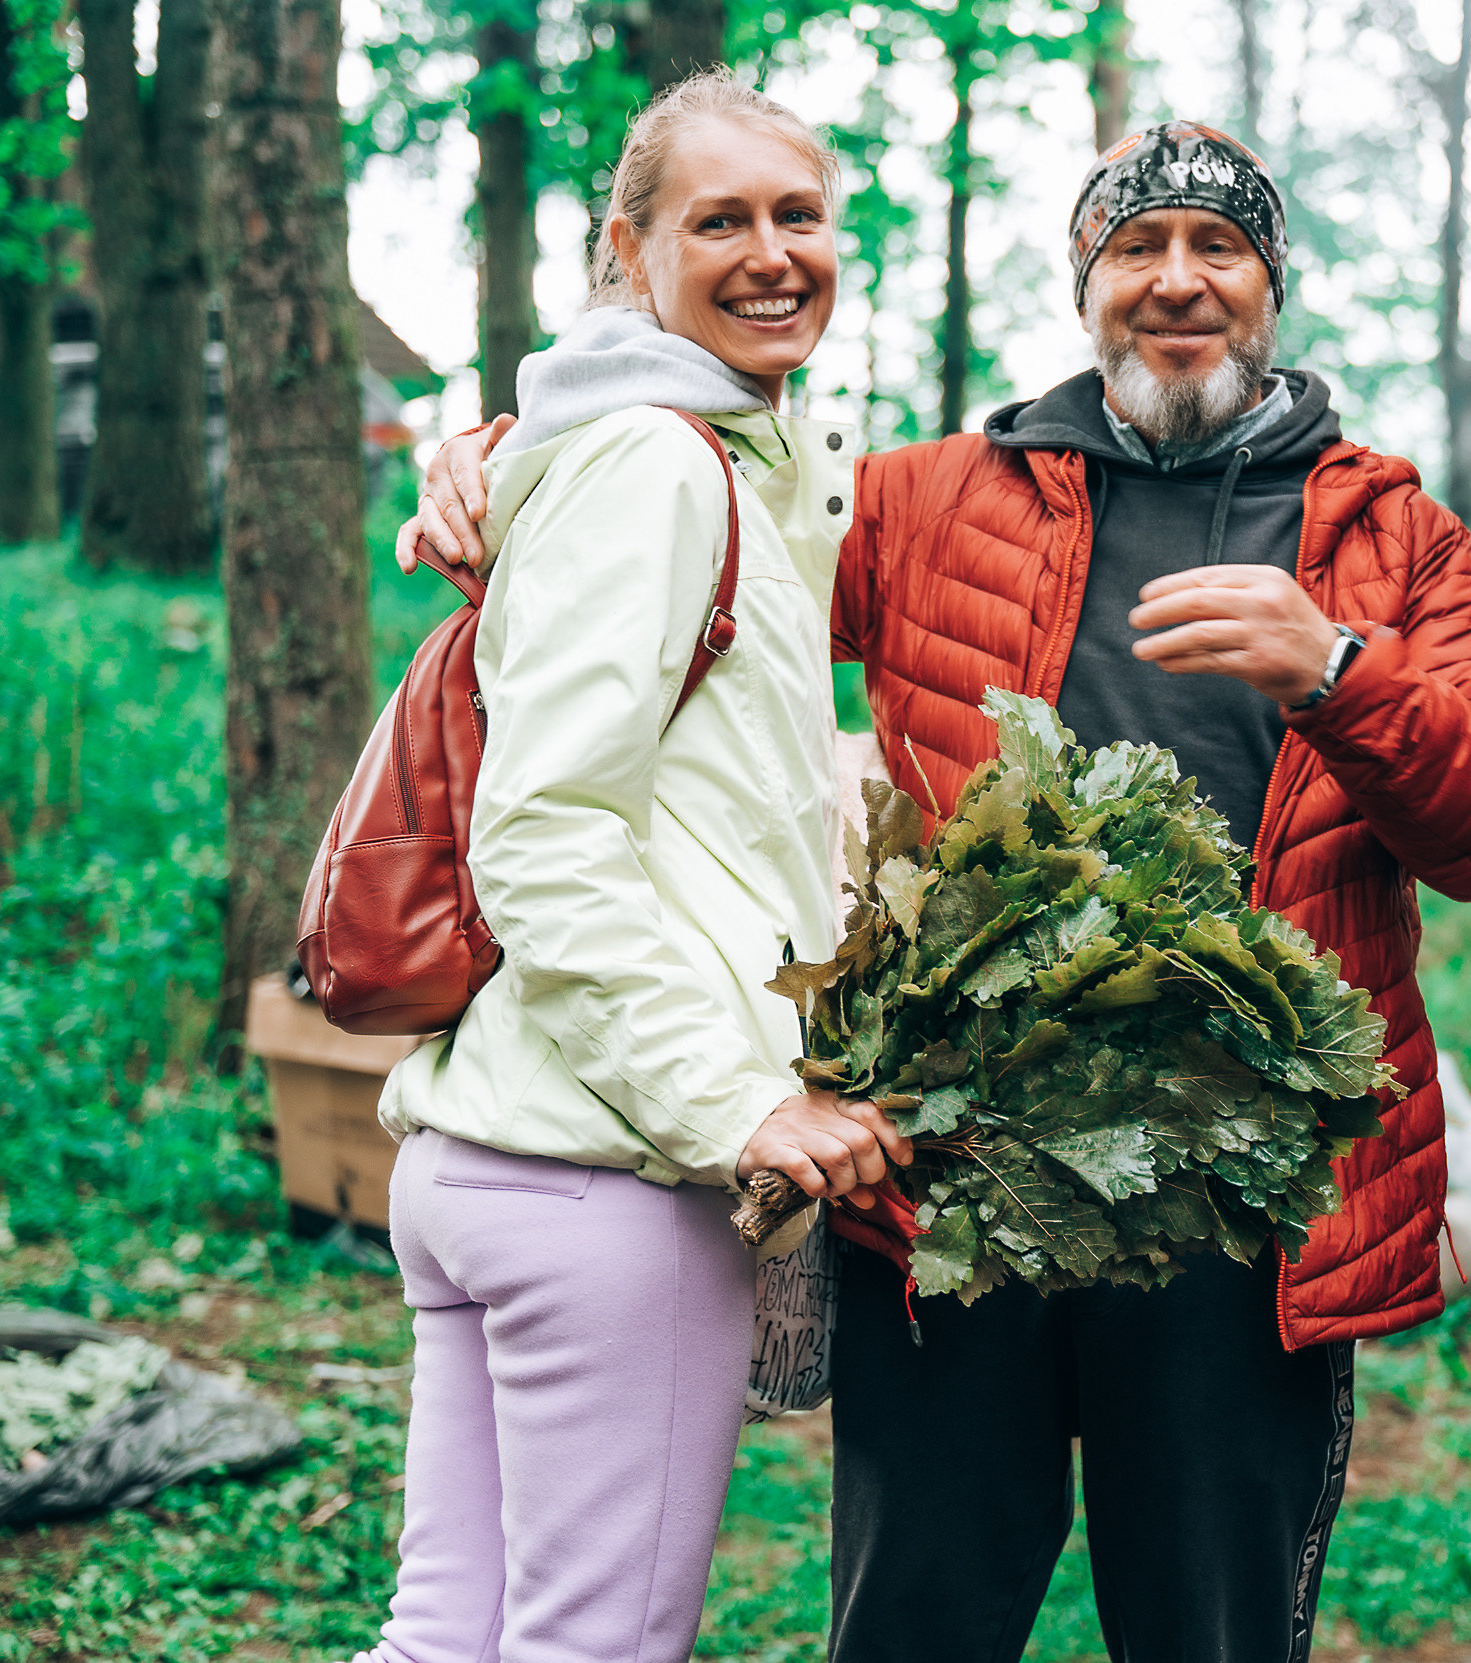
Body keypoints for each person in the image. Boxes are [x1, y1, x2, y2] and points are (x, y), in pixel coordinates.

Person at [410, 119, 1471, 1663]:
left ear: (1270, 284)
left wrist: (1340, 670)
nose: (1178, 282)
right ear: (1085, 286)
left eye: (1218, 248)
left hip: (1242, 1216)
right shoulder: (923, 498)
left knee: (1214, 1633)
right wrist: (506, 459)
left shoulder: (1391, 536)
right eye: (1136, 248)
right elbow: (690, 549)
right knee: (916, 1624)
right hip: (957, 1187)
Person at [351, 72, 911, 1663]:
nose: (771, 254)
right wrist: (731, 1106)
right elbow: (545, 830)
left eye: (798, 215)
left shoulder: (674, 453)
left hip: (492, 1148)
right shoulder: (660, 465)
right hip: (606, 1170)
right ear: (629, 250)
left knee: (449, 1637)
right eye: (718, 221)